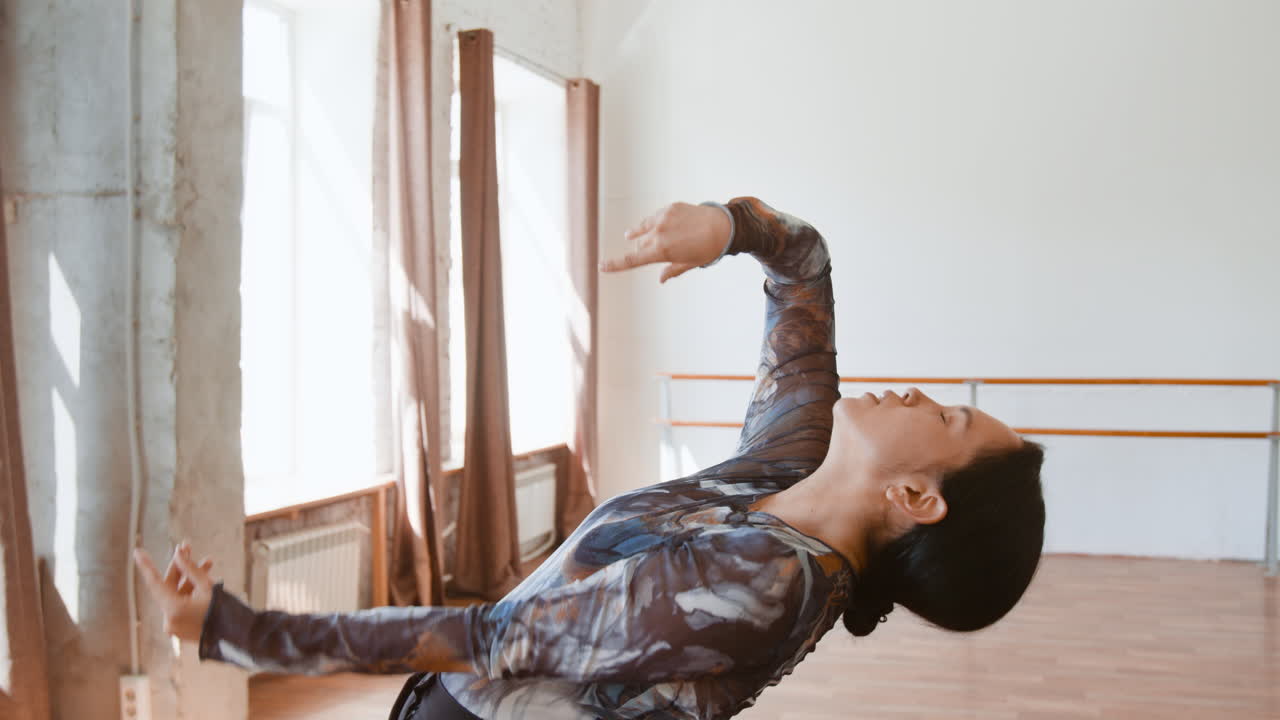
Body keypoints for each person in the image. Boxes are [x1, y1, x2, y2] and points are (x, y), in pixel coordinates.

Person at [135, 197, 1046, 720]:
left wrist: (243, 631)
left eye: (953, 420)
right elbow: (803, 264)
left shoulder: (762, 583)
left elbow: (493, 637)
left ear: (918, 498)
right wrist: (728, 227)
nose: (925, 396)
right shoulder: (793, 464)